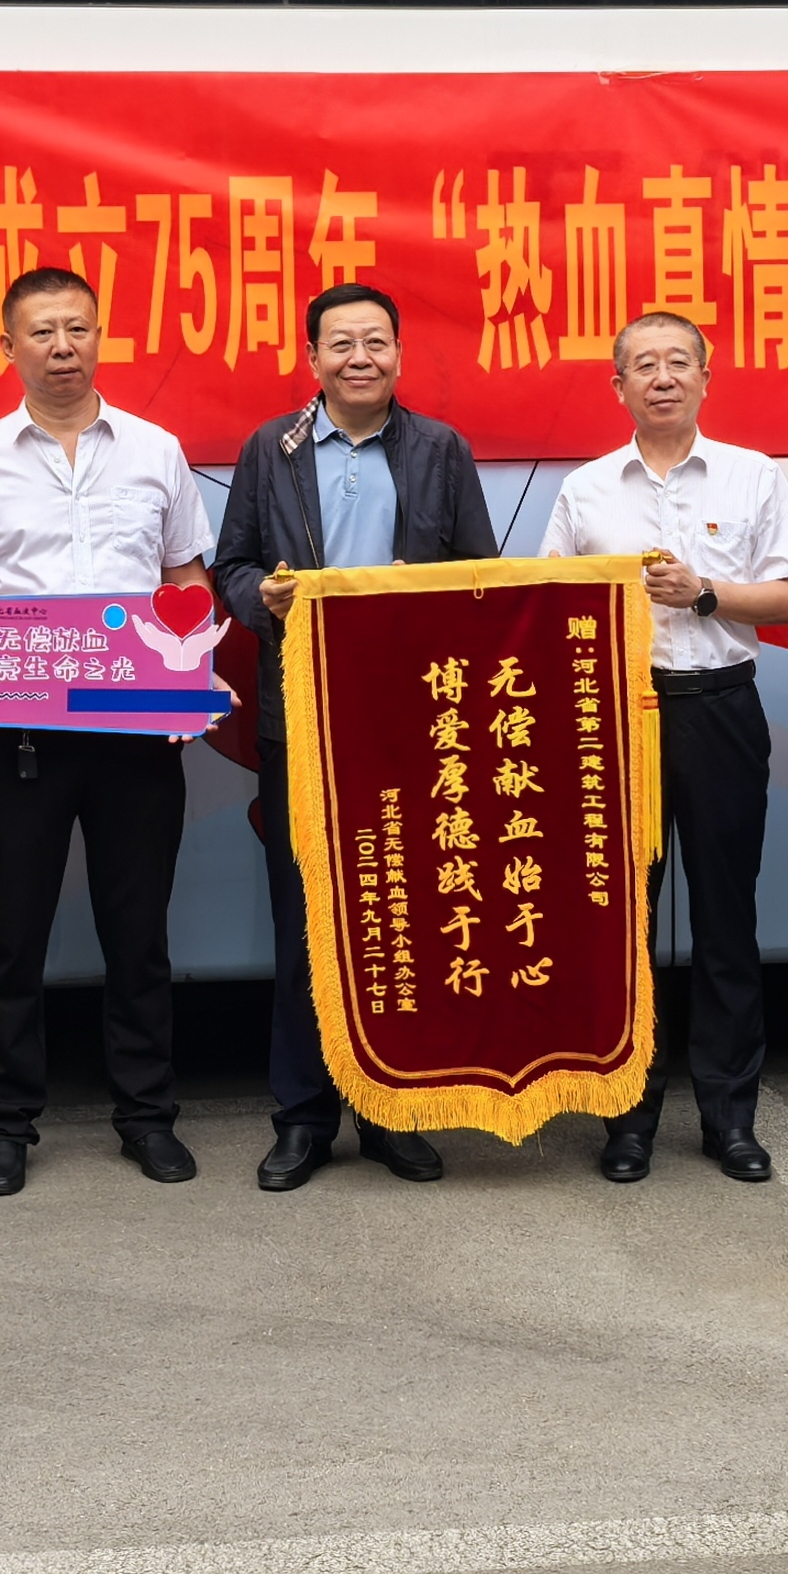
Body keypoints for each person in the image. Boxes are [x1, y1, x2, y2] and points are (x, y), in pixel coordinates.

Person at [0, 267, 215, 1198]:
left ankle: (147, 1115)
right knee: (11, 934)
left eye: (78, 329)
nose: (62, 348)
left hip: (136, 730)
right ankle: (4, 1126)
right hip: (18, 732)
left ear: (100, 337)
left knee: (138, 931)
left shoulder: (155, 451)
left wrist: (184, 676)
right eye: (42, 333)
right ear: (6, 347)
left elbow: (185, 578)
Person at [213, 282, 500, 1193]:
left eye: (376, 341)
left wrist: (427, 605)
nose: (360, 357)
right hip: (303, 711)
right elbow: (231, 567)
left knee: (402, 914)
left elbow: (481, 577)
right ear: (314, 359)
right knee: (305, 918)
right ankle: (302, 1119)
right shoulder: (271, 448)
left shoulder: (440, 450)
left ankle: (394, 1110)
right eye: (341, 343)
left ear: (399, 356)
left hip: (413, 720)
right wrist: (261, 597)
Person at [537, 310, 788, 1186]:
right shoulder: (587, 489)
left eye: (678, 363)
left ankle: (730, 1117)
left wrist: (703, 594)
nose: (662, 378)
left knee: (727, 918)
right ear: (617, 385)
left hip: (720, 707)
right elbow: (549, 603)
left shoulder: (751, 474)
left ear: (706, 376)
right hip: (617, 721)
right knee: (624, 924)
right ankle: (628, 1118)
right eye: (644, 365)